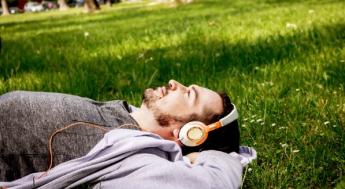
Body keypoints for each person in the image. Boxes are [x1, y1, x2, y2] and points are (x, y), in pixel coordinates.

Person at [0, 79, 253, 188]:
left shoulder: (134, 158)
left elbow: (212, 184)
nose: (175, 83)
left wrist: (217, 155)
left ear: (192, 133)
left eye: (189, 94)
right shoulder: (128, 119)